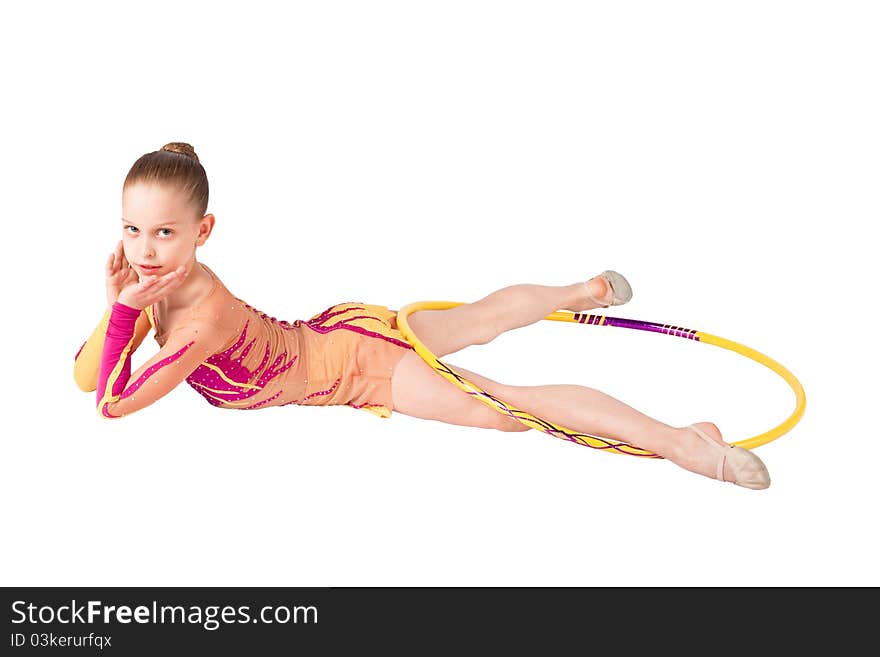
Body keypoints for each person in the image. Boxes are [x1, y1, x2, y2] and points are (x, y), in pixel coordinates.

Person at [73, 142, 770, 490]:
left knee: (511, 408)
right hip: (341, 328)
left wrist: (120, 318)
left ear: (204, 231)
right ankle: (581, 290)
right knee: (472, 320)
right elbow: (84, 377)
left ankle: (685, 443)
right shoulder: (149, 290)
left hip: (362, 370)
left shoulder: (200, 319)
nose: (144, 250)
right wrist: (119, 313)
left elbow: (110, 404)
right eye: (132, 230)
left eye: (164, 233)